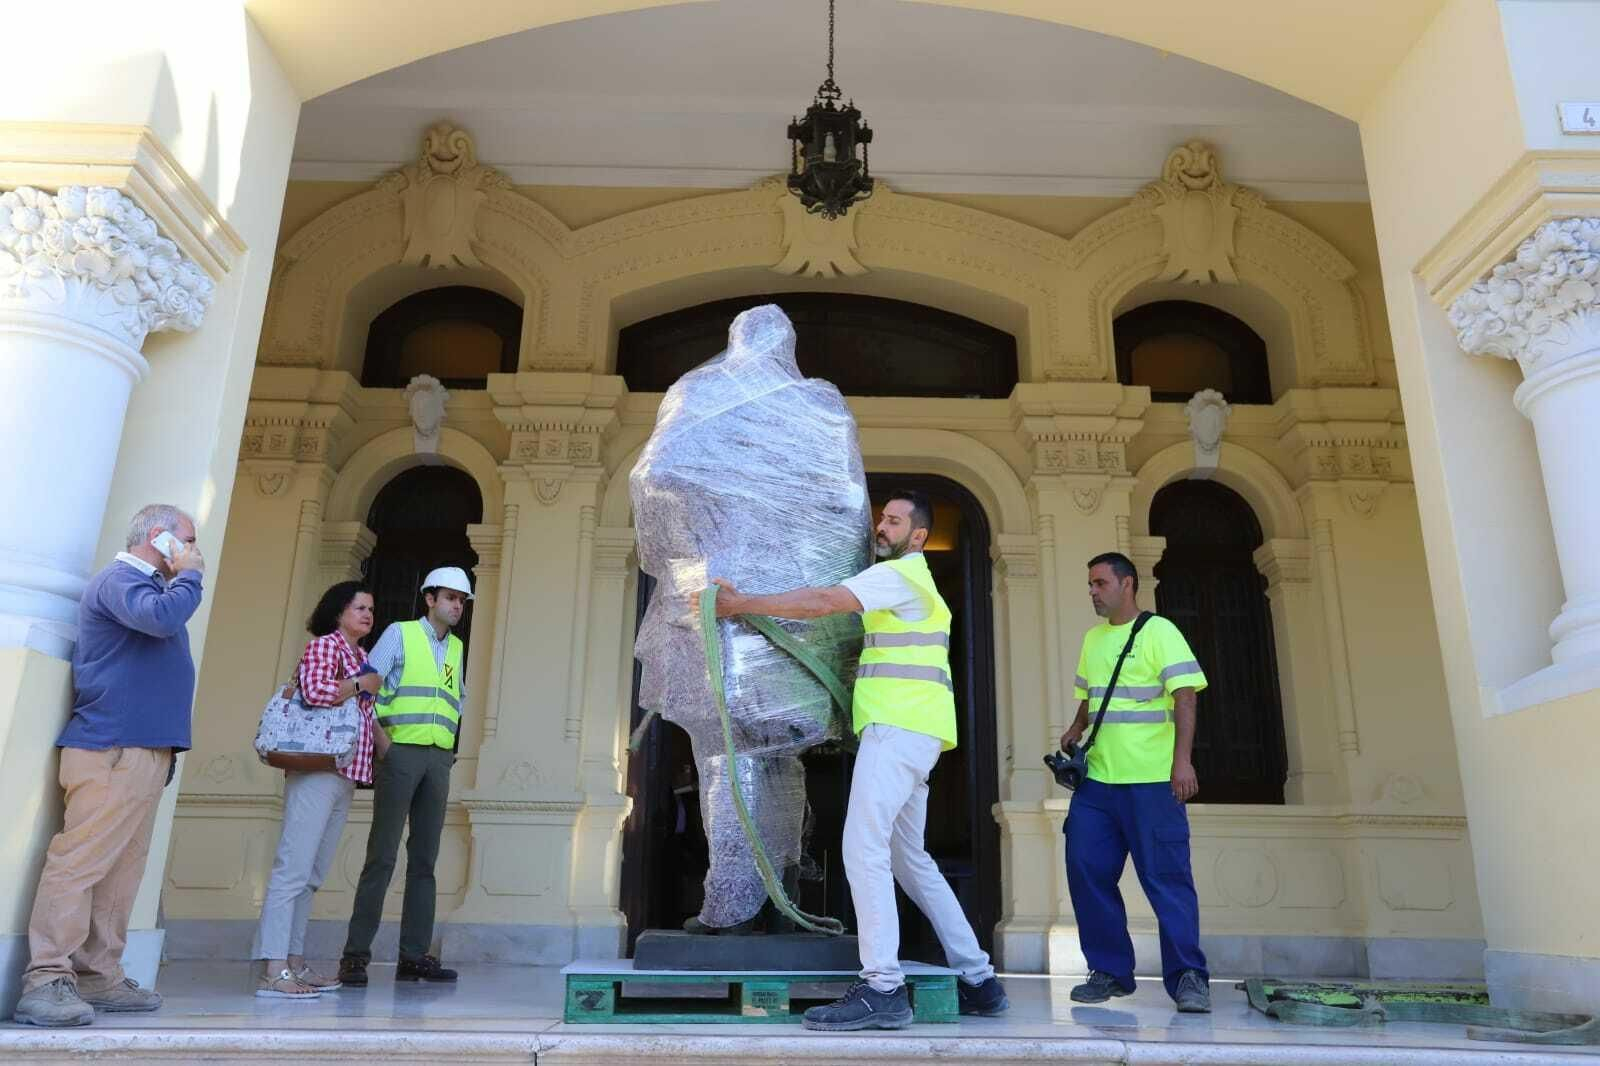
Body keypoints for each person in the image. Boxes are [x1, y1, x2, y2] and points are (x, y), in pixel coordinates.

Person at [709, 489, 1007, 1031]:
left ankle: (882, 988)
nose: (881, 528)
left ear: (918, 536)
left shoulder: (900, 575)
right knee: (909, 859)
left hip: (898, 729)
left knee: (862, 847)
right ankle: (979, 979)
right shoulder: (917, 585)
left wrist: (740, 604)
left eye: (893, 521)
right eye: (881, 519)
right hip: (917, 733)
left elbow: (822, 602)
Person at [12, 504, 205, 1028]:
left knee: (122, 871)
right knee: (80, 863)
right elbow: (160, 620)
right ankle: (46, 978)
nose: (195, 551)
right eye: (188, 540)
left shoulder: (150, 588)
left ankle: (98, 975)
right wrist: (189, 576)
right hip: (112, 749)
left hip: (144, 750)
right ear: (160, 538)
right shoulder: (121, 581)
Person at [1060, 552, 1211, 1013]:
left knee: (1168, 880)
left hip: (1152, 783)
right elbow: (1092, 696)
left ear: (1127, 584)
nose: (1093, 591)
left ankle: (1188, 977)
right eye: (1090, 584)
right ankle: (1109, 971)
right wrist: (1076, 728)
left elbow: (1185, 697)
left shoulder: (1160, 632)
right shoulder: (1093, 640)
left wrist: (1182, 762)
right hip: (1098, 784)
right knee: (1085, 869)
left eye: (1100, 583)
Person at [252, 581, 389, 999]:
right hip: (315, 768)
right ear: (338, 611)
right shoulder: (326, 647)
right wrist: (362, 684)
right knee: (293, 869)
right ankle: (273, 968)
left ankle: (294, 962)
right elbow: (315, 692)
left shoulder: (359, 656)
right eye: (360, 607)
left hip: (343, 771)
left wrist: (385, 748)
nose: (367, 614)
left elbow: (363, 715)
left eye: (370, 608)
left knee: (311, 874)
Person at [337, 566, 472, 987]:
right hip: (400, 753)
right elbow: (367, 686)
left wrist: (447, 753)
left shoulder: (456, 648)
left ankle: (414, 956)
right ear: (430, 599)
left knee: (425, 860)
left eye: (462, 600)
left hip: (438, 759)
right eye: (450, 598)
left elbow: (455, 699)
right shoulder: (400, 633)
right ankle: (355, 956)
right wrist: (383, 743)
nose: (457, 606)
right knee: (382, 855)